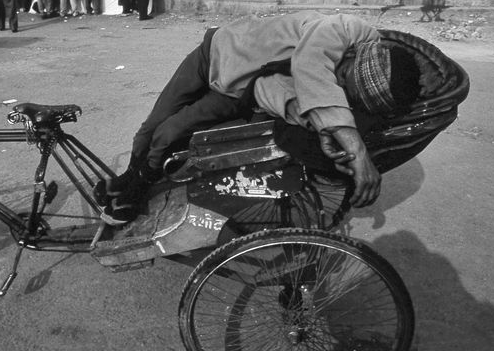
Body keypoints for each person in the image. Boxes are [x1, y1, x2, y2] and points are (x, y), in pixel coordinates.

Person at [103, 11, 421, 224]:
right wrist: (357, 151)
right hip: (215, 54)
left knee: (172, 132)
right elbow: (312, 70)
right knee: (152, 126)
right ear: (353, 57)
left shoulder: (341, 73)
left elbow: (283, 92)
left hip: (241, 89)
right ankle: (132, 178)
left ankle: (143, 181)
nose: (339, 85)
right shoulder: (342, 30)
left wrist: (319, 125)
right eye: (345, 78)